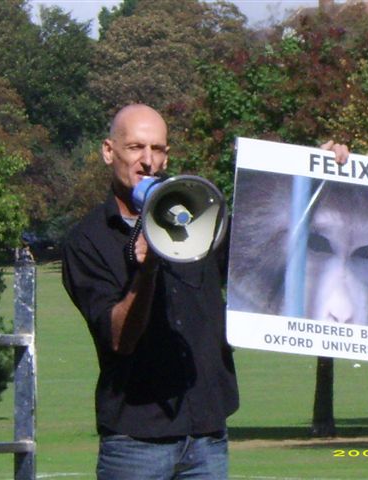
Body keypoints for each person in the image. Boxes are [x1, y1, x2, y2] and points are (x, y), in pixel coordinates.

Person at [61, 103, 349, 479]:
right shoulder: (87, 240)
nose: (148, 161)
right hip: (135, 441)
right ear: (108, 150)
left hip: (207, 435)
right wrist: (148, 265)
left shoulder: (199, 214)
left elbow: (269, 253)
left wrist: (314, 175)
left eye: (159, 149)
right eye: (135, 147)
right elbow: (119, 337)